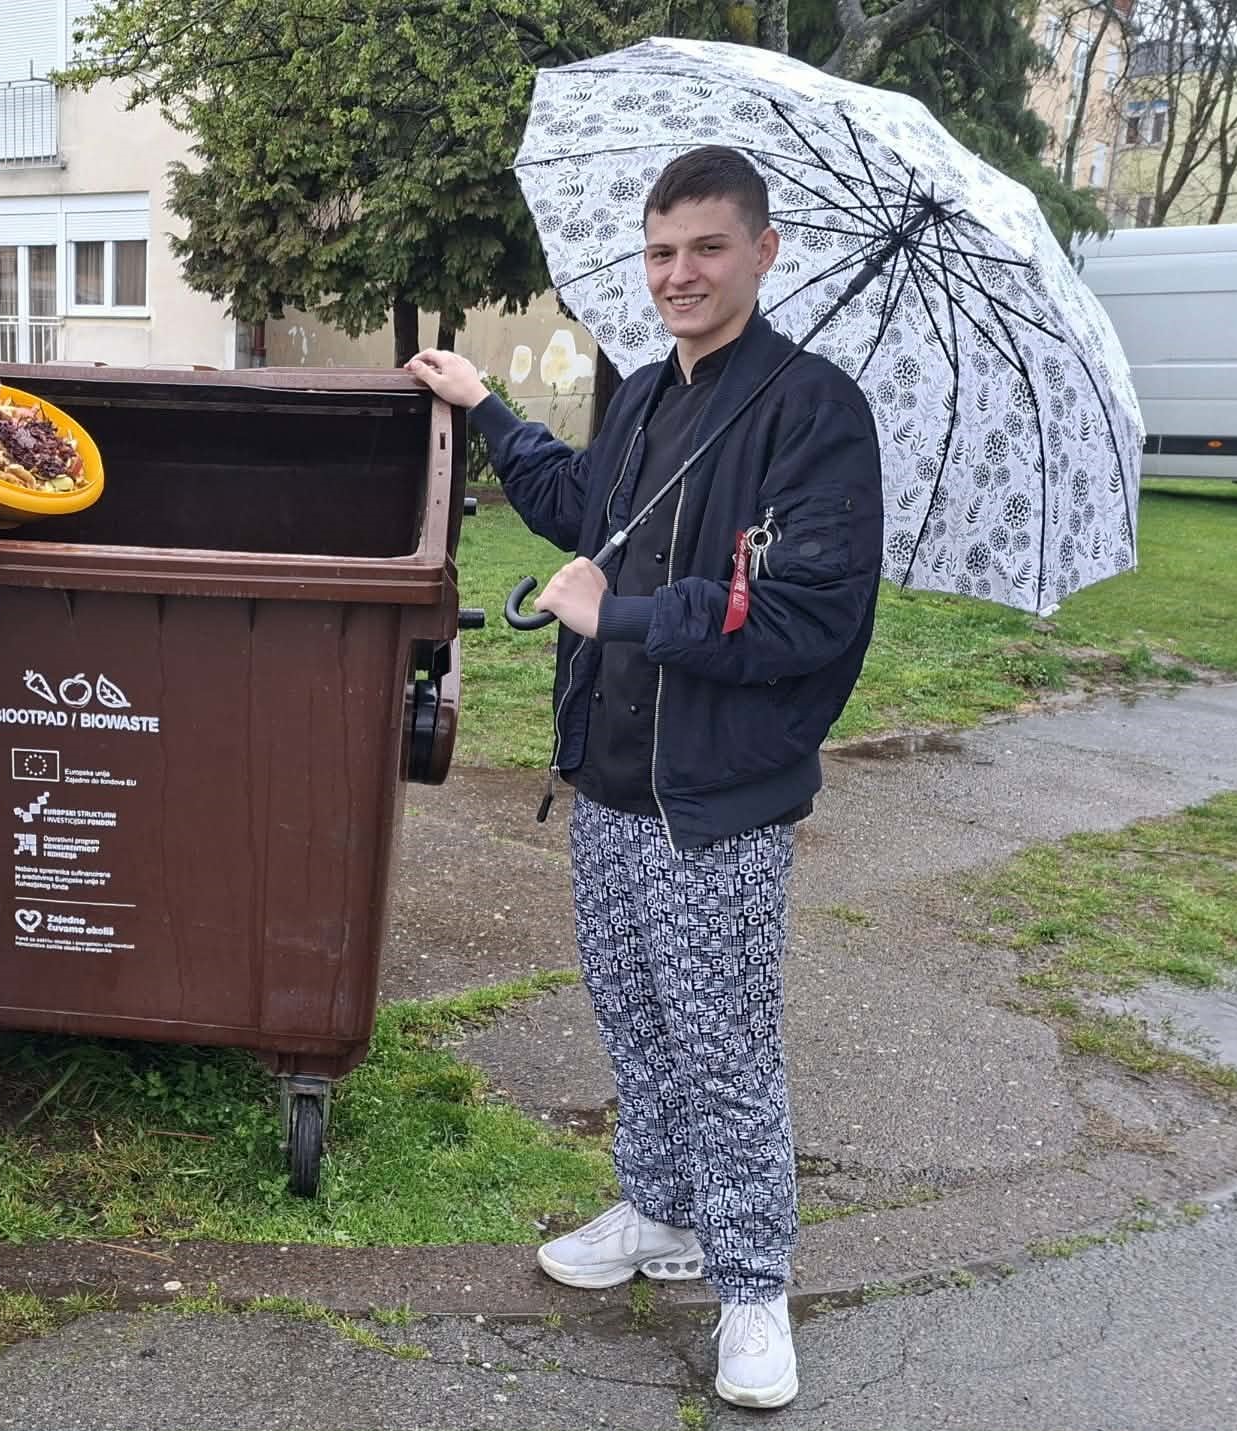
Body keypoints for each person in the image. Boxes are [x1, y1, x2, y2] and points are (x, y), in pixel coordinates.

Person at [407, 145, 884, 1410]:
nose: (680, 274)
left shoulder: (814, 412)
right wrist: (485, 404)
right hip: (612, 780)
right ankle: (661, 1208)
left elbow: (805, 617)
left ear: (762, 252)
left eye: (707, 248)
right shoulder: (643, 395)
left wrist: (620, 618)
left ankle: (753, 1284)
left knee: (723, 1045)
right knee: (634, 1016)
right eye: (662, 251)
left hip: (714, 801)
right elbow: (583, 505)